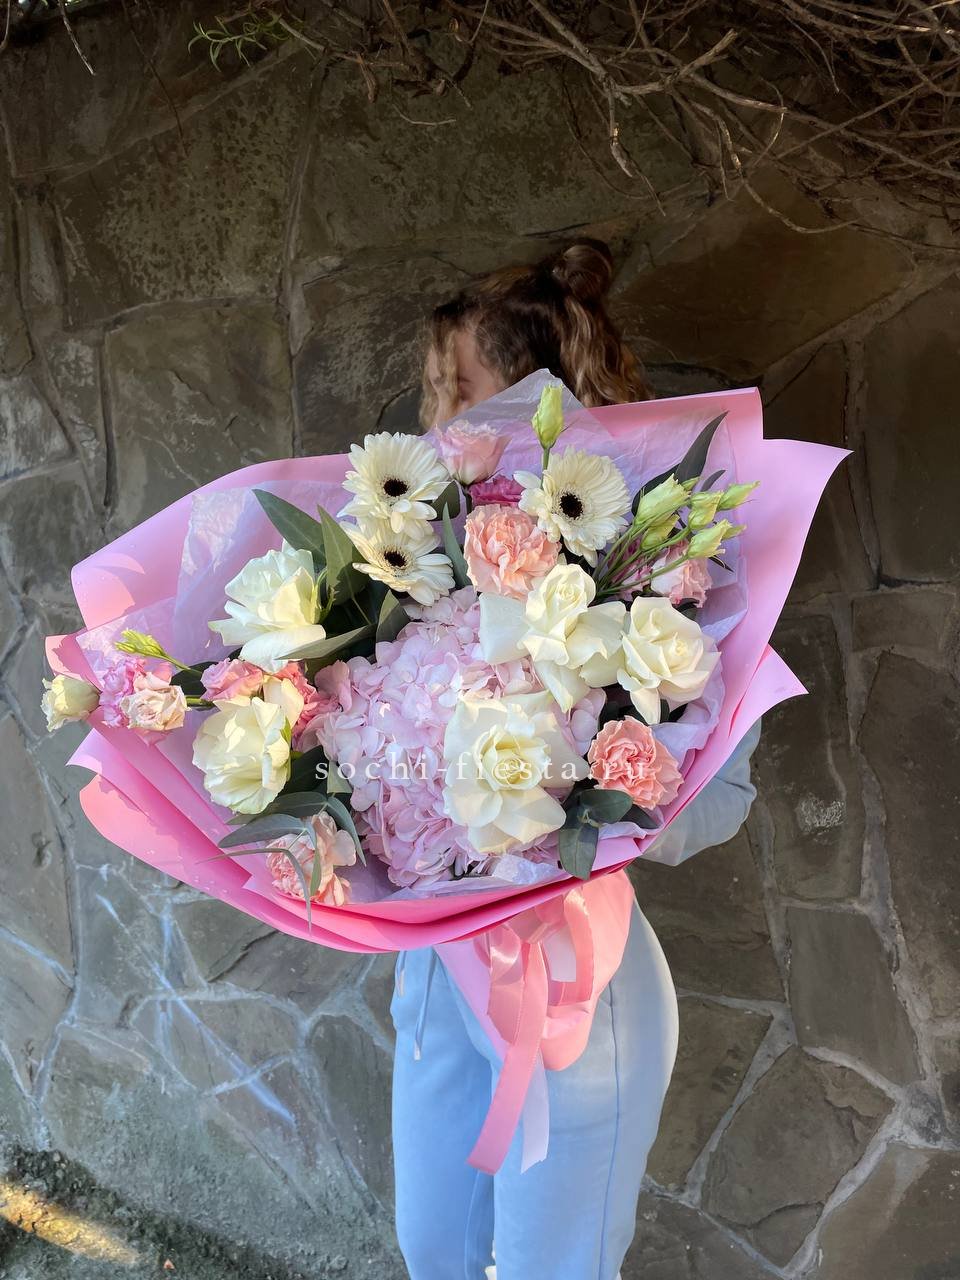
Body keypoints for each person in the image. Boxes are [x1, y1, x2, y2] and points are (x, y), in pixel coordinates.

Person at [390, 239, 761, 1280]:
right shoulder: (409, 552)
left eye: (460, 393)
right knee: (432, 1250)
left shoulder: (667, 570)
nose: (437, 425)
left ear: (542, 396)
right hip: (437, 969)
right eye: (435, 395)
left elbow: (718, 802)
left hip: (575, 992)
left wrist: (578, 780)